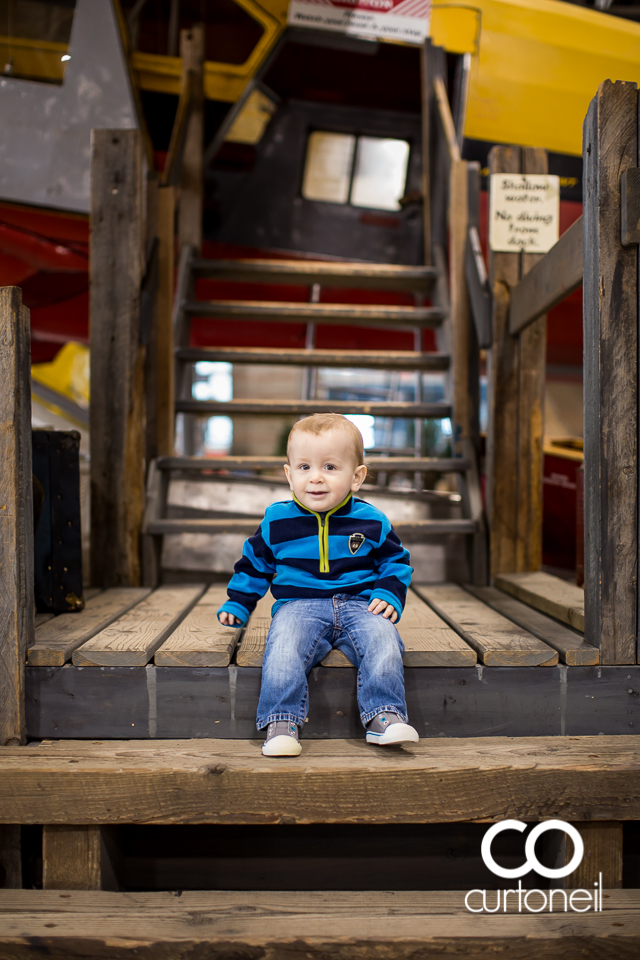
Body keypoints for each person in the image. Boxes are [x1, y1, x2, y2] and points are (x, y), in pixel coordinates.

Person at [218, 413, 419, 757]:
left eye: (329, 467)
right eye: (304, 467)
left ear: (356, 477)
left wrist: (388, 593)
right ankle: (281, 722)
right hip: (299, 606)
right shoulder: (277, 520)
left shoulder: (370, 520)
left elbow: (395, 560)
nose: (315, 479)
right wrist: (238, 603)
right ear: (288, 474)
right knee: (283, 647)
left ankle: (384, 716)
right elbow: (255, 563)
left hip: (361, 603)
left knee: (385, 639)